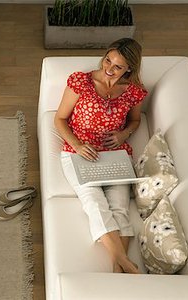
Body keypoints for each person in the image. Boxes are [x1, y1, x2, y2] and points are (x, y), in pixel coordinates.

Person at [55, 38, 148, 274]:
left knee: (119, 208)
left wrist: (123, 134)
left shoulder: (133, 92)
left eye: (118, 66)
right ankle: (127, 266)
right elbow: (59, 119)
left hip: (115, 155)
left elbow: (135, 120)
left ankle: (118, 273)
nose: (109, 68)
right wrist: (76, 145)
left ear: (129, 68)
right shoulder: (81, 82)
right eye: (108, 60)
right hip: (80, 153)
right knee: (94, 202)